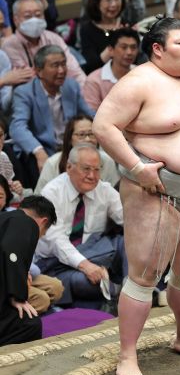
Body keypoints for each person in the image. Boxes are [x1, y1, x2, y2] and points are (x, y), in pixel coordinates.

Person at [92, 16, 180, 375]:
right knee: (144, 276)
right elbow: (103, 126)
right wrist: (137, 167)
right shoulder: (138, 82)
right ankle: (127, 355)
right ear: (157, 48)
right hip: (155, 192)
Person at [35, 144, 126, 309]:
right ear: (69, 167)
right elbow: (56, 241)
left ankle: (133, 290)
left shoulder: (103, 189)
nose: (92, 176)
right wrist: (86, 265)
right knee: (85, 282)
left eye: (97, 170)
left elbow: (128, 219)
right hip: (55, 263)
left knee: (127, 241)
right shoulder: (52, 192)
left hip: (94, 253)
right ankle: (116, 291)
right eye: (86, 169)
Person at [9, 45, 94, 189]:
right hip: (43, 148)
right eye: (55, 66)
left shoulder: (71, 86)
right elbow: (17, 127)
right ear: (39, 71)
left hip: (71, 145)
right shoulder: (24, 92)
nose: (61, 70)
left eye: (63, 64)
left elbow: (89, 114)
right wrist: (39, 152)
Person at [0, 195, 57, 347]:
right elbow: (11, 250)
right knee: (30, 324)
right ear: (43, 222)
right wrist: (17, 296)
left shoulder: (5, 217)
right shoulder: (26, 222)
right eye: (43, 233)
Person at [2, 0, 86, 87]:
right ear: (15, 20)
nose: (34, 20)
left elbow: (73, 70)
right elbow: (28, 78)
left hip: (64, 89)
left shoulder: (53, 38)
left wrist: (86, 90)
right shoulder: (10, 45)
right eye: (27, 16)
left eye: (38, 15)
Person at [35, 115, 120, 194]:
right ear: (69, 139)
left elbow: (114, 195)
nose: (87, 139)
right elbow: (39, 199)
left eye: (91, 134)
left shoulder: (107, 160)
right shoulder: (52, 163)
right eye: (81, 135)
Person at [80, 0, 128, 75]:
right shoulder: (87, 29)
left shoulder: (125, 24)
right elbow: (91, 67)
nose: (114, 4)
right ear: (96, 3)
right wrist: (115, 43)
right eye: (108, 0)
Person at [83, 27, 139, 111]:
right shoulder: (94, 81)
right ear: (111, 50)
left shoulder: (142, 74)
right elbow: (91, 115)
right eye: (124, 47)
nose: (129, 52)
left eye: (133, 47)